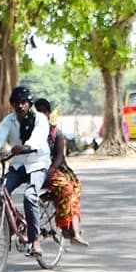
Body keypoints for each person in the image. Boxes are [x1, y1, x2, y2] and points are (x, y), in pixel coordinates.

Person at [0, 85, 51, 255]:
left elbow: (39, 138)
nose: (20, 106)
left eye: (24, 102)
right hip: (18, 165)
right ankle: (15, 223)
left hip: (37, 164)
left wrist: (27, 146)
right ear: (12, 105)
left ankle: (35, 241)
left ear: (29, 104)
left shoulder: (40, 119)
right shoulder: (8, 120)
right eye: (16, 103)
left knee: (29, 196)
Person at [32, 97, 87, 247]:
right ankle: (69, 229)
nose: (42, 115)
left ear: (49, 114)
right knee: (66, 190)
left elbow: (59, 157)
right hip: (38, 168)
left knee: (75, 187)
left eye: (45, 112)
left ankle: (73, 230)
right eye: (39, 112)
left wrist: (51, 171)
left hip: (56, 168)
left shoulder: (56, 132)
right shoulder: (31, 130)